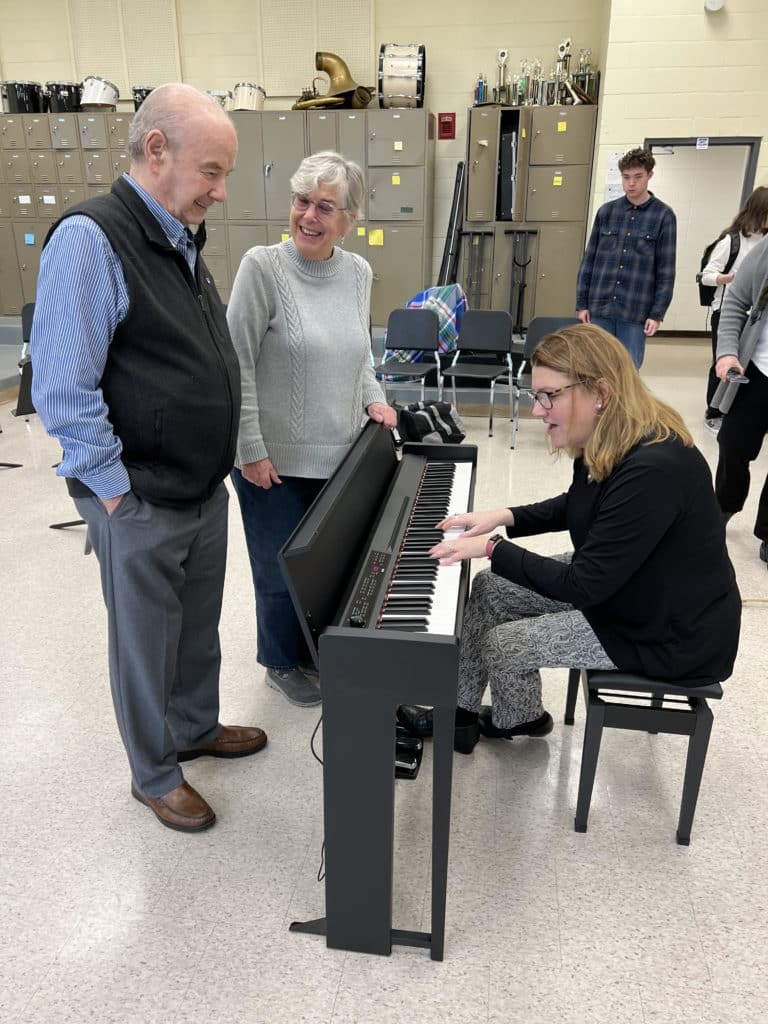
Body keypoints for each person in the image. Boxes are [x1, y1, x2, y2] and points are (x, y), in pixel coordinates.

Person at [30, 83, 267, 833]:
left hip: (197, 487)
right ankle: (155, 772)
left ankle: (194, 726)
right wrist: (113, 497)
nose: (221, 191)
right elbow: (64, 389)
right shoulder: (92, 238)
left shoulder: (176, 235)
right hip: (138, 497)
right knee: (144, 641)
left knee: (196, 628)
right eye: (211, 171)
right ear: (155, 150)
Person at [401, 324, 740, 754]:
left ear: (600, 392)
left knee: (504, 644)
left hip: (668, 631)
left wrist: (493, 548)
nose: (538, 410)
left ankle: (519, 718)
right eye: (535, 395)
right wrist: (502, 517)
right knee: (488, 588)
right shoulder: (612, 435)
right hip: (627, 586)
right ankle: (458, 713)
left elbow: (583, 586)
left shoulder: (655, 468)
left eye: (549, 395)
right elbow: (577, 505)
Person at [227, 151, 397, 708]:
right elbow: (237, 363)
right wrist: (248, 446)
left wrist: (375, 399)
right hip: (270, 458)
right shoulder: (261, 267)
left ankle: (313, 650)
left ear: (348, 220)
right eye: (303, 201)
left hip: (342, 453)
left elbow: (362, 356)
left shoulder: (358, 273)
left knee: (325, 570)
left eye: (326, 206)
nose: (310, 216)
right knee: (278, 569)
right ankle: (280, 660)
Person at [576, 148, 677, 369]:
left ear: (649, 175)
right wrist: (581, 303)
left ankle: (622, 406)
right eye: (626, 177)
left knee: (627, 373)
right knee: (595, 369)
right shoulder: (606, 212)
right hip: (599, 308)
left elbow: (666, 271)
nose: (631, 183)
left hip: (635, 311)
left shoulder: (663, 216)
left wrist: (657, 313)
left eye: (638, 177)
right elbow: (589, 261)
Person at [711, 232, 768, 569]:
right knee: (733, 446)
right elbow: (734, 302)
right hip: (757, 368)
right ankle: (725, 505)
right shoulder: (765, 251)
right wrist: (727, 353)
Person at [700, 186, 768, 433]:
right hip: (727, 308)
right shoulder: (732, 240)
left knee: (745, 365)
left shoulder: (765, 240)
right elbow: (705, 275)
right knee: (723, 360)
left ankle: (738, 411)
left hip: (757, 319)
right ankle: (714, 410)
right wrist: (729, 279)